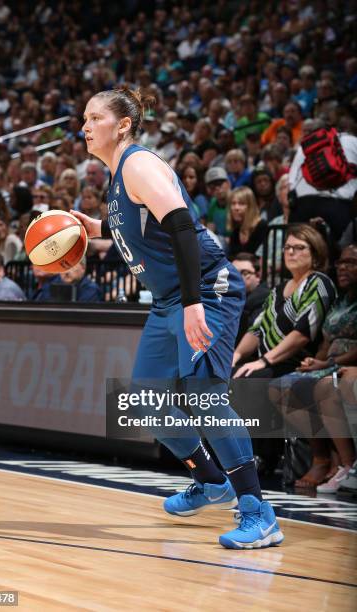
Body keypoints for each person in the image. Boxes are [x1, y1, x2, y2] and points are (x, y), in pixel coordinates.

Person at [72, 86, 285, 550]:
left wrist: (193, 303)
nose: (84, 126)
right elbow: (143, 222)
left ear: (123, 124)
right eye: (83, 118)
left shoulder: (140, 164)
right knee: (146, 402)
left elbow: (183, 226)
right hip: (171, 298)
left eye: (94, 117)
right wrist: (99, 230)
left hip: (206, 288)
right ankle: (211, 481)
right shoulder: (118, 179)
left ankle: (258, 511)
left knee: (204, 397)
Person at [271, 244, 357, 491]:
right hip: (329, 362)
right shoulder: (340, 301)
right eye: (341, 262)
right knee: (281, 387)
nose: (343, 267)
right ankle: (322, 456)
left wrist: (328, 363)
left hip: (346, 364)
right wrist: (312, 362)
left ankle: (345, 463)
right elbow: (327, 341)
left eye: (351, 263)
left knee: (322, 387)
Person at [233, 224, 337, 379]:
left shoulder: (318, 283)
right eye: (287, 247)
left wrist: (264, 361)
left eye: (299, 247)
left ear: (315, 254)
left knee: (241, 379)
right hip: (268, 362)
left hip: (298, 366)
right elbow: (257, 329)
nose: (290, 252)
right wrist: (236, 355)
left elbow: (303, 333)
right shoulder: (278, 289)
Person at [227, 186, 268, 258]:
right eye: (233, 203)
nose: (236, 208)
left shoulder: (262, 226)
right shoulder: (236, 231)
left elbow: (261, 258)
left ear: (250, 206)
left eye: (241, 204)